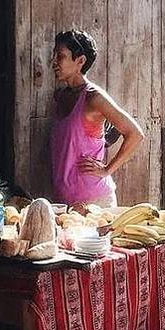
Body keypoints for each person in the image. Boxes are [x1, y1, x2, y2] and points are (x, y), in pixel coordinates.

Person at [50, 29, 144, 208]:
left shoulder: (94, 98)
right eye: (54, 55)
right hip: (63, 201)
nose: (53, 61)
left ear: (80, 61)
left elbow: (135, 134)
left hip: (94, 202)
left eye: (60, 56)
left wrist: (106, 170)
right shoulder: (61, 96)